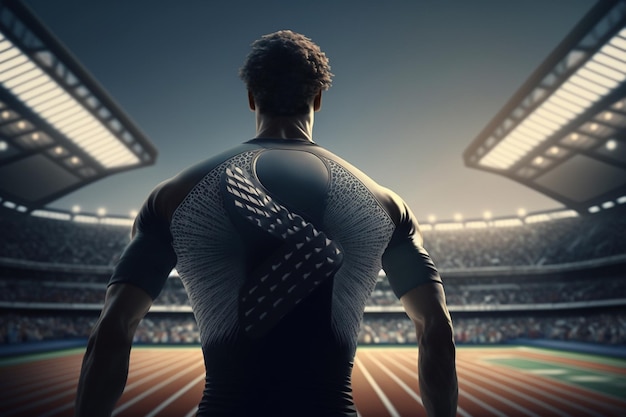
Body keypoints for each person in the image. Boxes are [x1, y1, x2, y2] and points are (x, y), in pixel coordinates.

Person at [75, 30, 458, 417]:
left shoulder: (174, 195)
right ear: (319, 99)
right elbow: (436, 326)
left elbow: (115, 326)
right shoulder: (385, 203)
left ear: (251, 98)